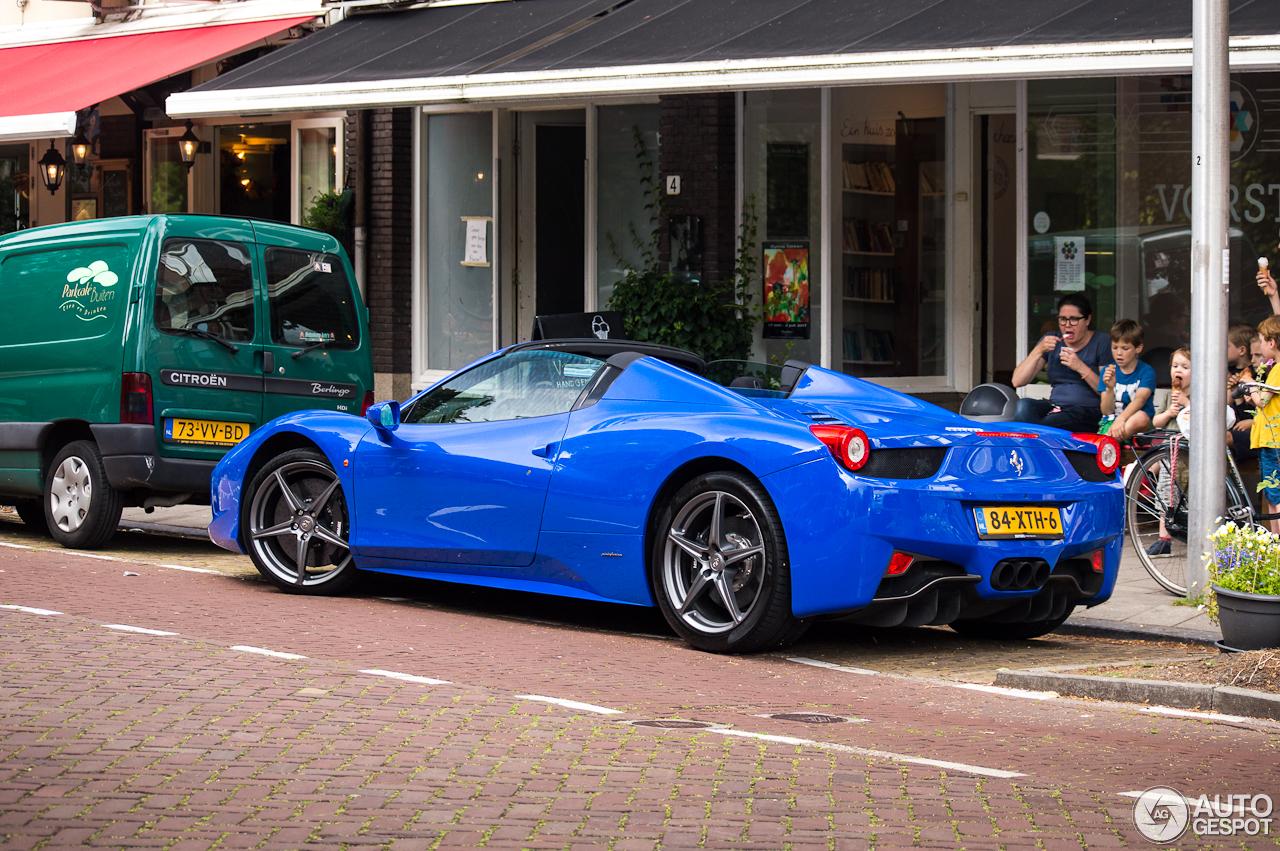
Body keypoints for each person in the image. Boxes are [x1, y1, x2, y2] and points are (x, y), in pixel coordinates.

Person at [1013, 293, 1114, 432]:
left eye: (1074, 320)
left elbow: (1108, 389)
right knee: (1024, 405)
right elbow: (1017, 381)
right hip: (1056, 407)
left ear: (1087, 320)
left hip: (1088, 411)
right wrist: (1039, 350)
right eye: (1062, 319)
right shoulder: (1052, 339)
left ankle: (1028, 445)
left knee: (1043, 426)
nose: (1067, 325)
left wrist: (1080, 367)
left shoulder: (1102, 342)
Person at [1098, 319, 1155, 441]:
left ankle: (1108, 442)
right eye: (1114, 347)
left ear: (1138, 348)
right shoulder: (1107, 371)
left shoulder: (1146, 371)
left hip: (1137, 427)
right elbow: (1107, 411)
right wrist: (1109, 388)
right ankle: (1110, 442)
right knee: (1109, 425)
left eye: (1125, 348)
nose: (1119, 353)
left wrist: (1121, 419)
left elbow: (1140, 400)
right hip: (1112, 423)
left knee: (1141, 417)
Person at [1249, 316, 1280, 533]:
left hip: (1272, 440)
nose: (1260, 347)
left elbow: (1262, 401)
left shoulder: (1277, 370)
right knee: (1271, 492)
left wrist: (1249, 385)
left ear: (1271, 343)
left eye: (1261, 341)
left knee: (1274, 491)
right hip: (1272, 439)